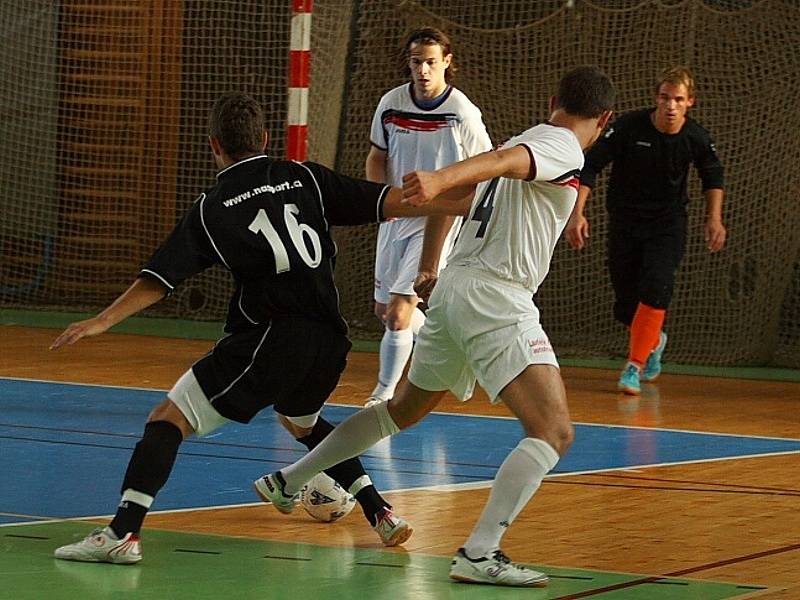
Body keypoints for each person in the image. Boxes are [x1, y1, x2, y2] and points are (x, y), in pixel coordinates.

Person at [50, 92, 474, 564]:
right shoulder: (306, 177)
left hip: (271, 339)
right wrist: (465, 202)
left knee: (167, 420)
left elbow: (160, 278)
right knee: (302, 422)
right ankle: (382, 513)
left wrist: (102, 320)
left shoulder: (213, 207)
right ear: (266, 139)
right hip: (330, 341)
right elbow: (395, 202)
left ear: (214, 145)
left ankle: (121, 535)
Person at [254, 67, 615, 587]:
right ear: (604, 119)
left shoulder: (530, 140)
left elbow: (468, 198)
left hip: (457, 290)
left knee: (400, 411)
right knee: (553, 432)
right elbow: (497, 163)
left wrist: (429, 256)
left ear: (553, 98)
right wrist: (442, 177)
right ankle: (480, 552)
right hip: (496, 296)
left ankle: (290, 479)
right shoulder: (560, 146)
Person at [565, 66, 726, 395]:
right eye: (665, 98)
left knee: (656, 287)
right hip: (625, 223)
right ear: (656, 98)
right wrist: (576, 214)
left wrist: (714, 218)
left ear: (689, 102)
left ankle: (634, 366)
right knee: (627, 306)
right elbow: (591, 166)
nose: (670, 105)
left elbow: (713, 176)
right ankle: (654, 340)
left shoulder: (695, 137)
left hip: (667, 226)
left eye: (678, 100)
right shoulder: (628, 127)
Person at [364, 27, 492, 407]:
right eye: (417, 61)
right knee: (384, 311)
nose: (423, 70)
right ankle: (454, 345)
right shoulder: (391, 103)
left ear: (447, 63)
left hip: (436, 221)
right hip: (394, 217)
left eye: (431, 62)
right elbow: (376, 156)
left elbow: (484, 165)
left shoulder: (462, 112)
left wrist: (459, 205)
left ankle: (384, 396)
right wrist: (378, 199)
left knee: (400, 315)